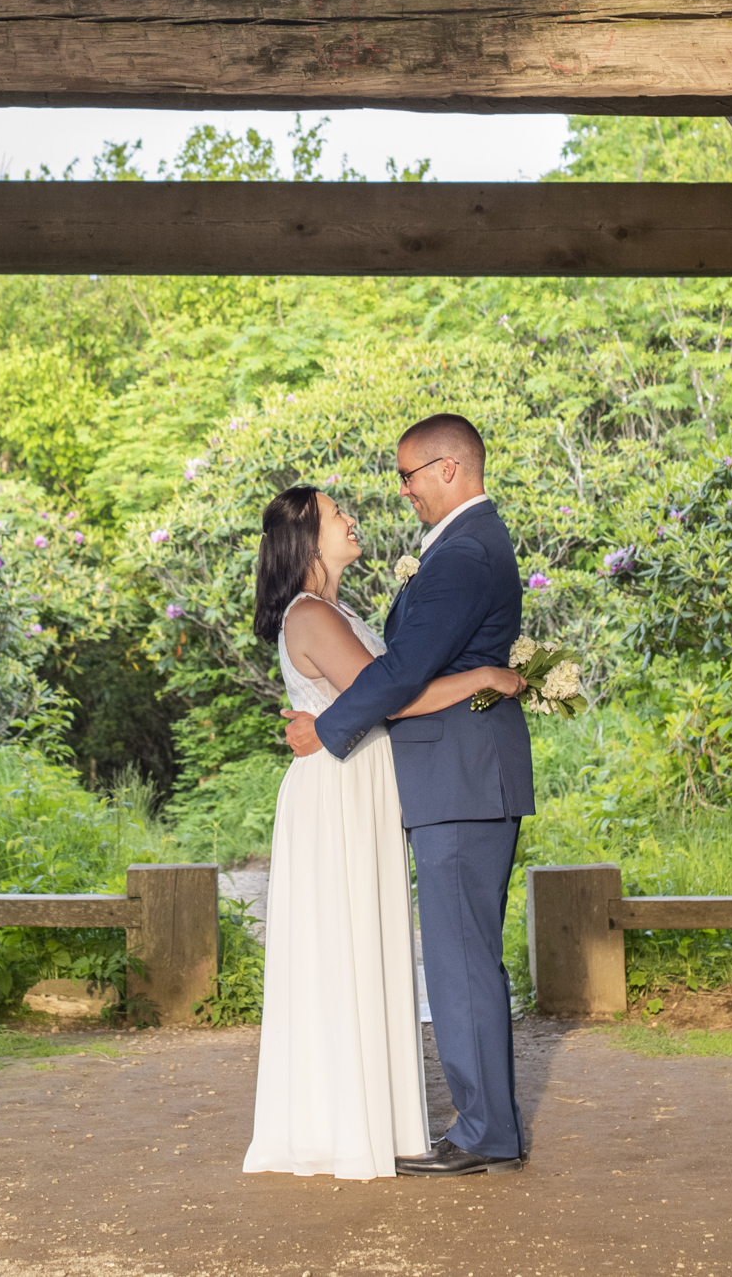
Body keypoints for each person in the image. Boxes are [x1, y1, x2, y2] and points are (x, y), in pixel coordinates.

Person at [244, 482, 525, 1182]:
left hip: (364, 786)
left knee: (368, 946)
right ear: (305, 537)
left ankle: (377, 1116)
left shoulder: (337, 609)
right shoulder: (310, 615)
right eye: (336, 512)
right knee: (344, 948)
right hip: (337, 792)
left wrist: (493, 682)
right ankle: (338, 1124)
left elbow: (385, 688)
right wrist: (484, 677)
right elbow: (390, 695)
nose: (352, 516)